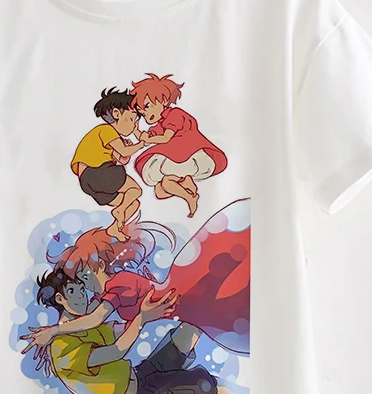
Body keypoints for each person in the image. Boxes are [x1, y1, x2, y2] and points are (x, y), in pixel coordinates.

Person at [23, 200, 252, 359]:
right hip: (191, 308)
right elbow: (90, 314)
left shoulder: (119, 284)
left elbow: (95, 318)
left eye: (84, 275)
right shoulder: (110, 291)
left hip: (188, 295)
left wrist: (54, 331)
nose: (85, 285)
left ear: (99, 265)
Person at [24, 268, 237, 394]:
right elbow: (116, 351)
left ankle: (221, 298)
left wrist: (147, 311)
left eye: (81, 288)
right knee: (207, 386)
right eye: (72, 291)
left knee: (187, 330)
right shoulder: (61, 347)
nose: (82, 295)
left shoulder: (84, 325)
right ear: (59, 299)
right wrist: (141, 318)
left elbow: (121, 330)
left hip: (139, 374)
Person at [130, 73, 227, 216]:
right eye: (142, 113)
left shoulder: (175, 115)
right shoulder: (161, 123)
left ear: (163, 100)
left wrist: (148, 140)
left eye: (148, 106)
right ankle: (188, 191)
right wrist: (135, 130)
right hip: (178, 161)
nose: (146, 113)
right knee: (160, 190)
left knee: (160, 175)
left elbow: (165, 138)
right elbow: (146, 138)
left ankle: (188, 189)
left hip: (192, 155)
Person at [70, 87, 145, 240]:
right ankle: (119, 211)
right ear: (117, 114)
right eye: (131, 119)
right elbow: (123, 151)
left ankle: (114, 229)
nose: (133, 126)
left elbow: (122, 159)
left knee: (133, 203)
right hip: (96, 172)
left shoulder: (110, 139)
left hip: (89, 182)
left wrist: (127, 150)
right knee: (135, 190)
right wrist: (141, 143)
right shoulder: (106, 130)